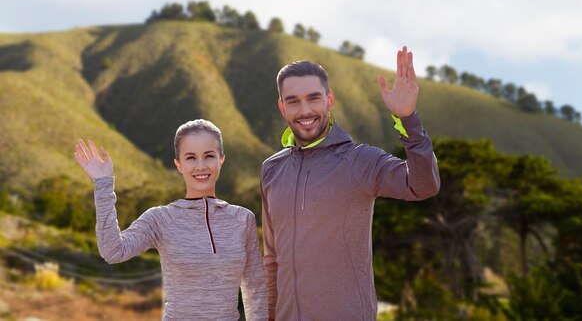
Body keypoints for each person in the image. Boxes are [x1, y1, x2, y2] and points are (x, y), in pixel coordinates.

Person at [260, 46, 440, 320]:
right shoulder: (272, 170)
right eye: (293, 101)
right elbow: (272, 259)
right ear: (282, 106)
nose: (305, 110)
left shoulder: (360, 161)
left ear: (329, 100)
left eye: (314, 98)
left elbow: (423, 185)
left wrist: (408, 120)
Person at [74, 119, 267, 321]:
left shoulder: (243, 219)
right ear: (179, 164)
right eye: (190, 158)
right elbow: (113, 251)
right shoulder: (161, 218)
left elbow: (255, 288)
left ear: (221, 159)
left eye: (209, 156)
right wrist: (103, 184)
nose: (200, 166)